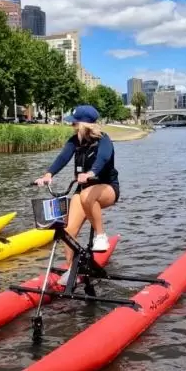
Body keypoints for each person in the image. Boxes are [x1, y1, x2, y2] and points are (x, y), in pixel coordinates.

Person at [35, 104, 119, 278]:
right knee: (68, 231)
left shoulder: (104, 139)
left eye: (74, 124)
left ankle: (101, 236)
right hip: (84, 190)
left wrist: (91, 173)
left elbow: (103, 157)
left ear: (85, 124)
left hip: (107, 188)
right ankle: (69, 268)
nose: (72, 126)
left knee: (88, 195)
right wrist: (48, 174)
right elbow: (63, 157)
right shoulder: (75, 141)